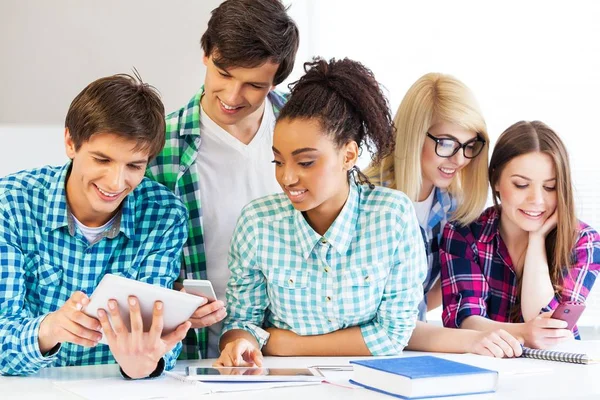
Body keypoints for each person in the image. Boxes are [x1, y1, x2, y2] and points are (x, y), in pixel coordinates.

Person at [215, 58, 521, 368]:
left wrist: (286, 344)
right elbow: (243, 322)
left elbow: (394, 334)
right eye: (278, 162)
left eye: (305, 162)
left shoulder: (392, 214)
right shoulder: (257, 223)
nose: (287, 178)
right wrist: (242, 341)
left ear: (348, 154)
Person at [0, 74, 193, 378]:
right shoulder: (10, 204)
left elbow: (158, 340)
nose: (116, 183)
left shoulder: (164, 215)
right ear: (70, 143)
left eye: (134, 166)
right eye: (102, 160)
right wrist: (49, 329)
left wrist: (142, 364)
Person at [146, 0, 300, 359]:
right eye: (224, 73)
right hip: (195, 353)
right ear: (206, 54)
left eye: (253, 85)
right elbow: (133, 261)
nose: (232, 96)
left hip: (292, 347)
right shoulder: (160, 147)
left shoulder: (309, 132)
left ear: (275, 80)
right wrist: (174, 295)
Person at [440, 120, 600, 349]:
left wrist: (537, 240)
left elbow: (550, 330)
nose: (536, 200)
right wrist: (525, 332)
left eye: (550, 187)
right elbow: (465, 321)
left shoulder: (584, 242)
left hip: (558, 370)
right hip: (485, 364)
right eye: (521, 185)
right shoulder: (464, 234)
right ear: (495, 179)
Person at [366, 72, 489, 321]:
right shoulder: (366, 198)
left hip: (411, 342)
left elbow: (443, 286)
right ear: (414, 136)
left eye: (469, 145)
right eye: (446, 143)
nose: (460, 159)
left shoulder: (453, 207)